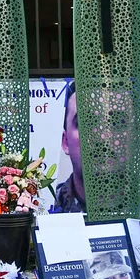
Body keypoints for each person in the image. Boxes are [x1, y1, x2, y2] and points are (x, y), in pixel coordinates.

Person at [50, 80, 85, 213]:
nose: (101, 136)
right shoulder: (51, 205)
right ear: (65, 142)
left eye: (116, 123)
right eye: (85, 123)